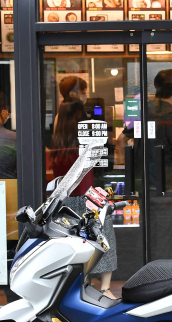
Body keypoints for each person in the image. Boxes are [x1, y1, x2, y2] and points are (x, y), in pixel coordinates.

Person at [50, 98, 117, 298]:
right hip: (89, 198)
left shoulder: (57, 142)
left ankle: (81, 285)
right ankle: (105, 288)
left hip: (66, 201)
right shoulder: (87, 141)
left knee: (74, 243)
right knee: (103, 236)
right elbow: (104, 165)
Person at [148, 69, 172, 260]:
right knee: (166, 235)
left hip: (145, 184)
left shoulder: (146, 110)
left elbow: (123, 140)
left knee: (150, 232)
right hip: (168, 185)